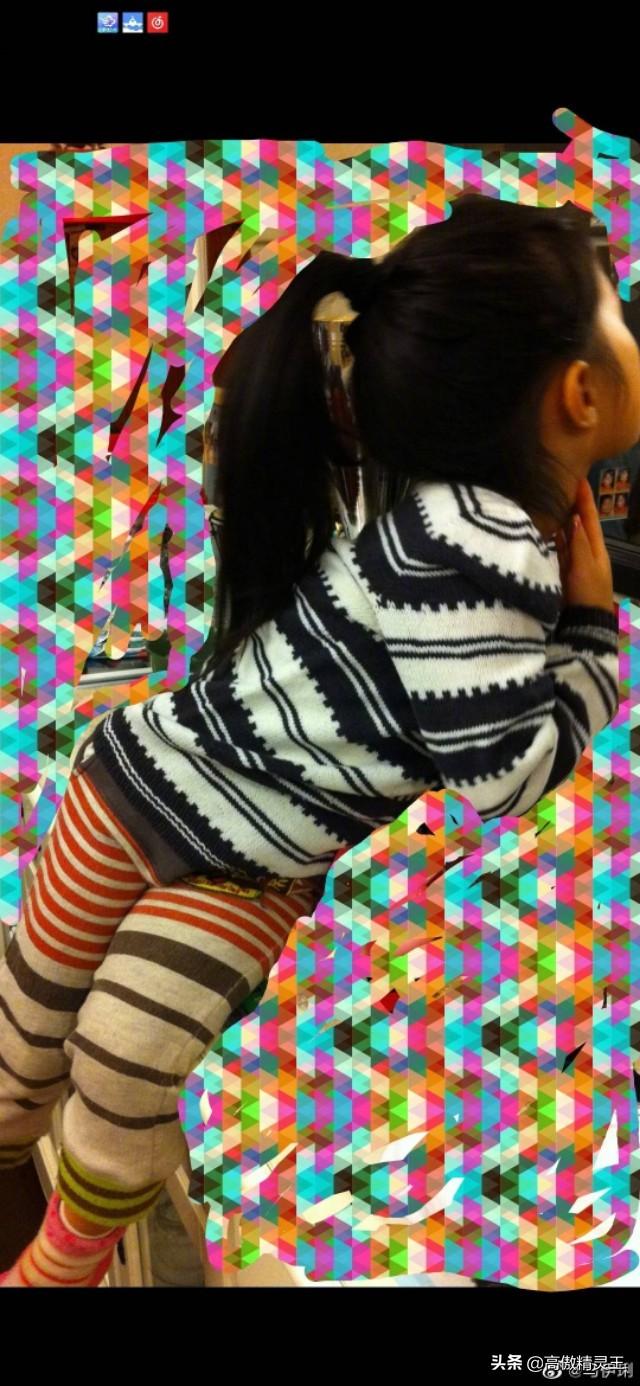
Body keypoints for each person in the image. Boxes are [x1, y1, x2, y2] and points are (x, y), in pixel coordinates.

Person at [1, 194, 639, 1288]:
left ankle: (37, 1229)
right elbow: (500, 777)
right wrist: (591, 635)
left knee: (38, 1044)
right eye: (618, 314)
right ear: (579, 393)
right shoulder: (484, 543)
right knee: (111, 1080)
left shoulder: (426, 496)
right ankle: (53, 1267)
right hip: (231, 855)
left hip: (142, 784)